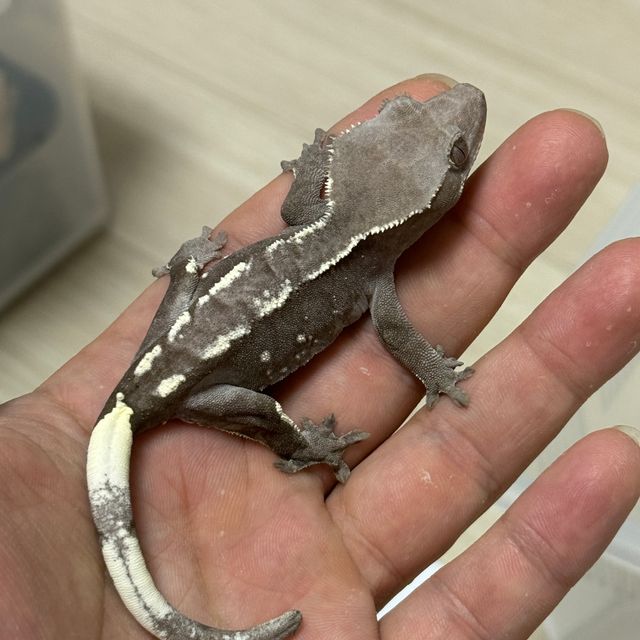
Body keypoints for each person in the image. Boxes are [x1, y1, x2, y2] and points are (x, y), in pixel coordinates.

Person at [0, 75, 638, 639]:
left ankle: (188, 275)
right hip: (197, 390)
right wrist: (429, 376)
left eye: (453, 154)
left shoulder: (322, 222)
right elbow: (396, 332)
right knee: (260, 412)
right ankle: (299, 448)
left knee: (183, 314)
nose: (460, 109)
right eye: (408, 113)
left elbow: (307, 218)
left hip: (175, 342)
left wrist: (199, 258)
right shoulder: (372, 271)